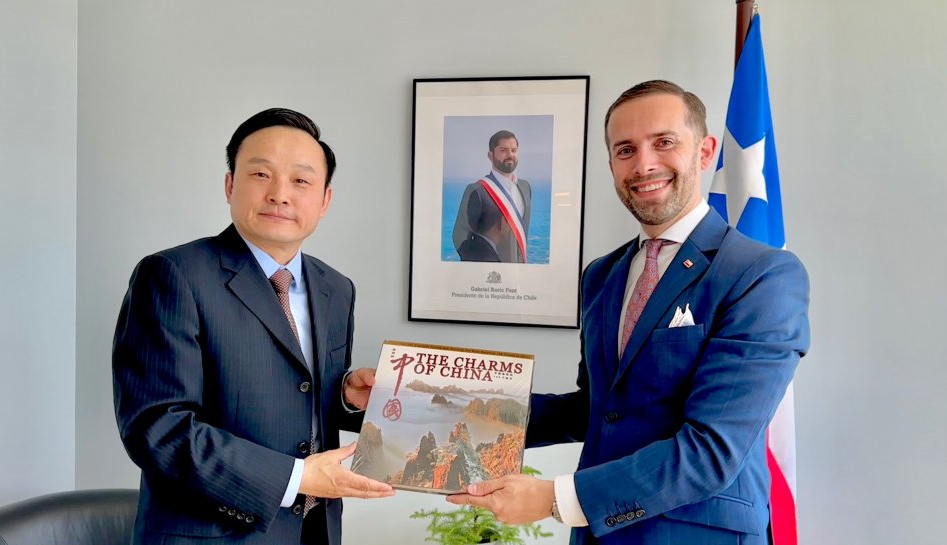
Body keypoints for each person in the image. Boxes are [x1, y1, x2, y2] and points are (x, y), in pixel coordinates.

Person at [447, 80, 810, 545]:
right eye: (625, 150)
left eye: (664, 142)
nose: (643, 164)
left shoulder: (761, 274)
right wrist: (418, 403)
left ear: (705, 152)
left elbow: (713, 450)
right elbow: (595, 409)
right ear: (612, 166)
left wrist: (555, 498)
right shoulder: (602, 274)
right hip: (597, 536)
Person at [113, 108, 395, 545]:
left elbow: (295, 397)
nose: (279, 194)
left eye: (300, 181)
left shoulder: (336, 288)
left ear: (324, 200)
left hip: (314, 532)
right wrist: (296, 478)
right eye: (261, 174)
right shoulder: (173, 274)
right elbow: (157, 427)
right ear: (230, 185)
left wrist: (344, 395)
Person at [452, 130, 532, 263]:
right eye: (503, 150)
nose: (510, 155)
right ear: (490, 155)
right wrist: (485, 267)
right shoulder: (477, 191)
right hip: (488, 270)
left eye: (513, 150)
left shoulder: (525, 188)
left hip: (518, 270)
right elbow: (460, 236)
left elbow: (523, 233)